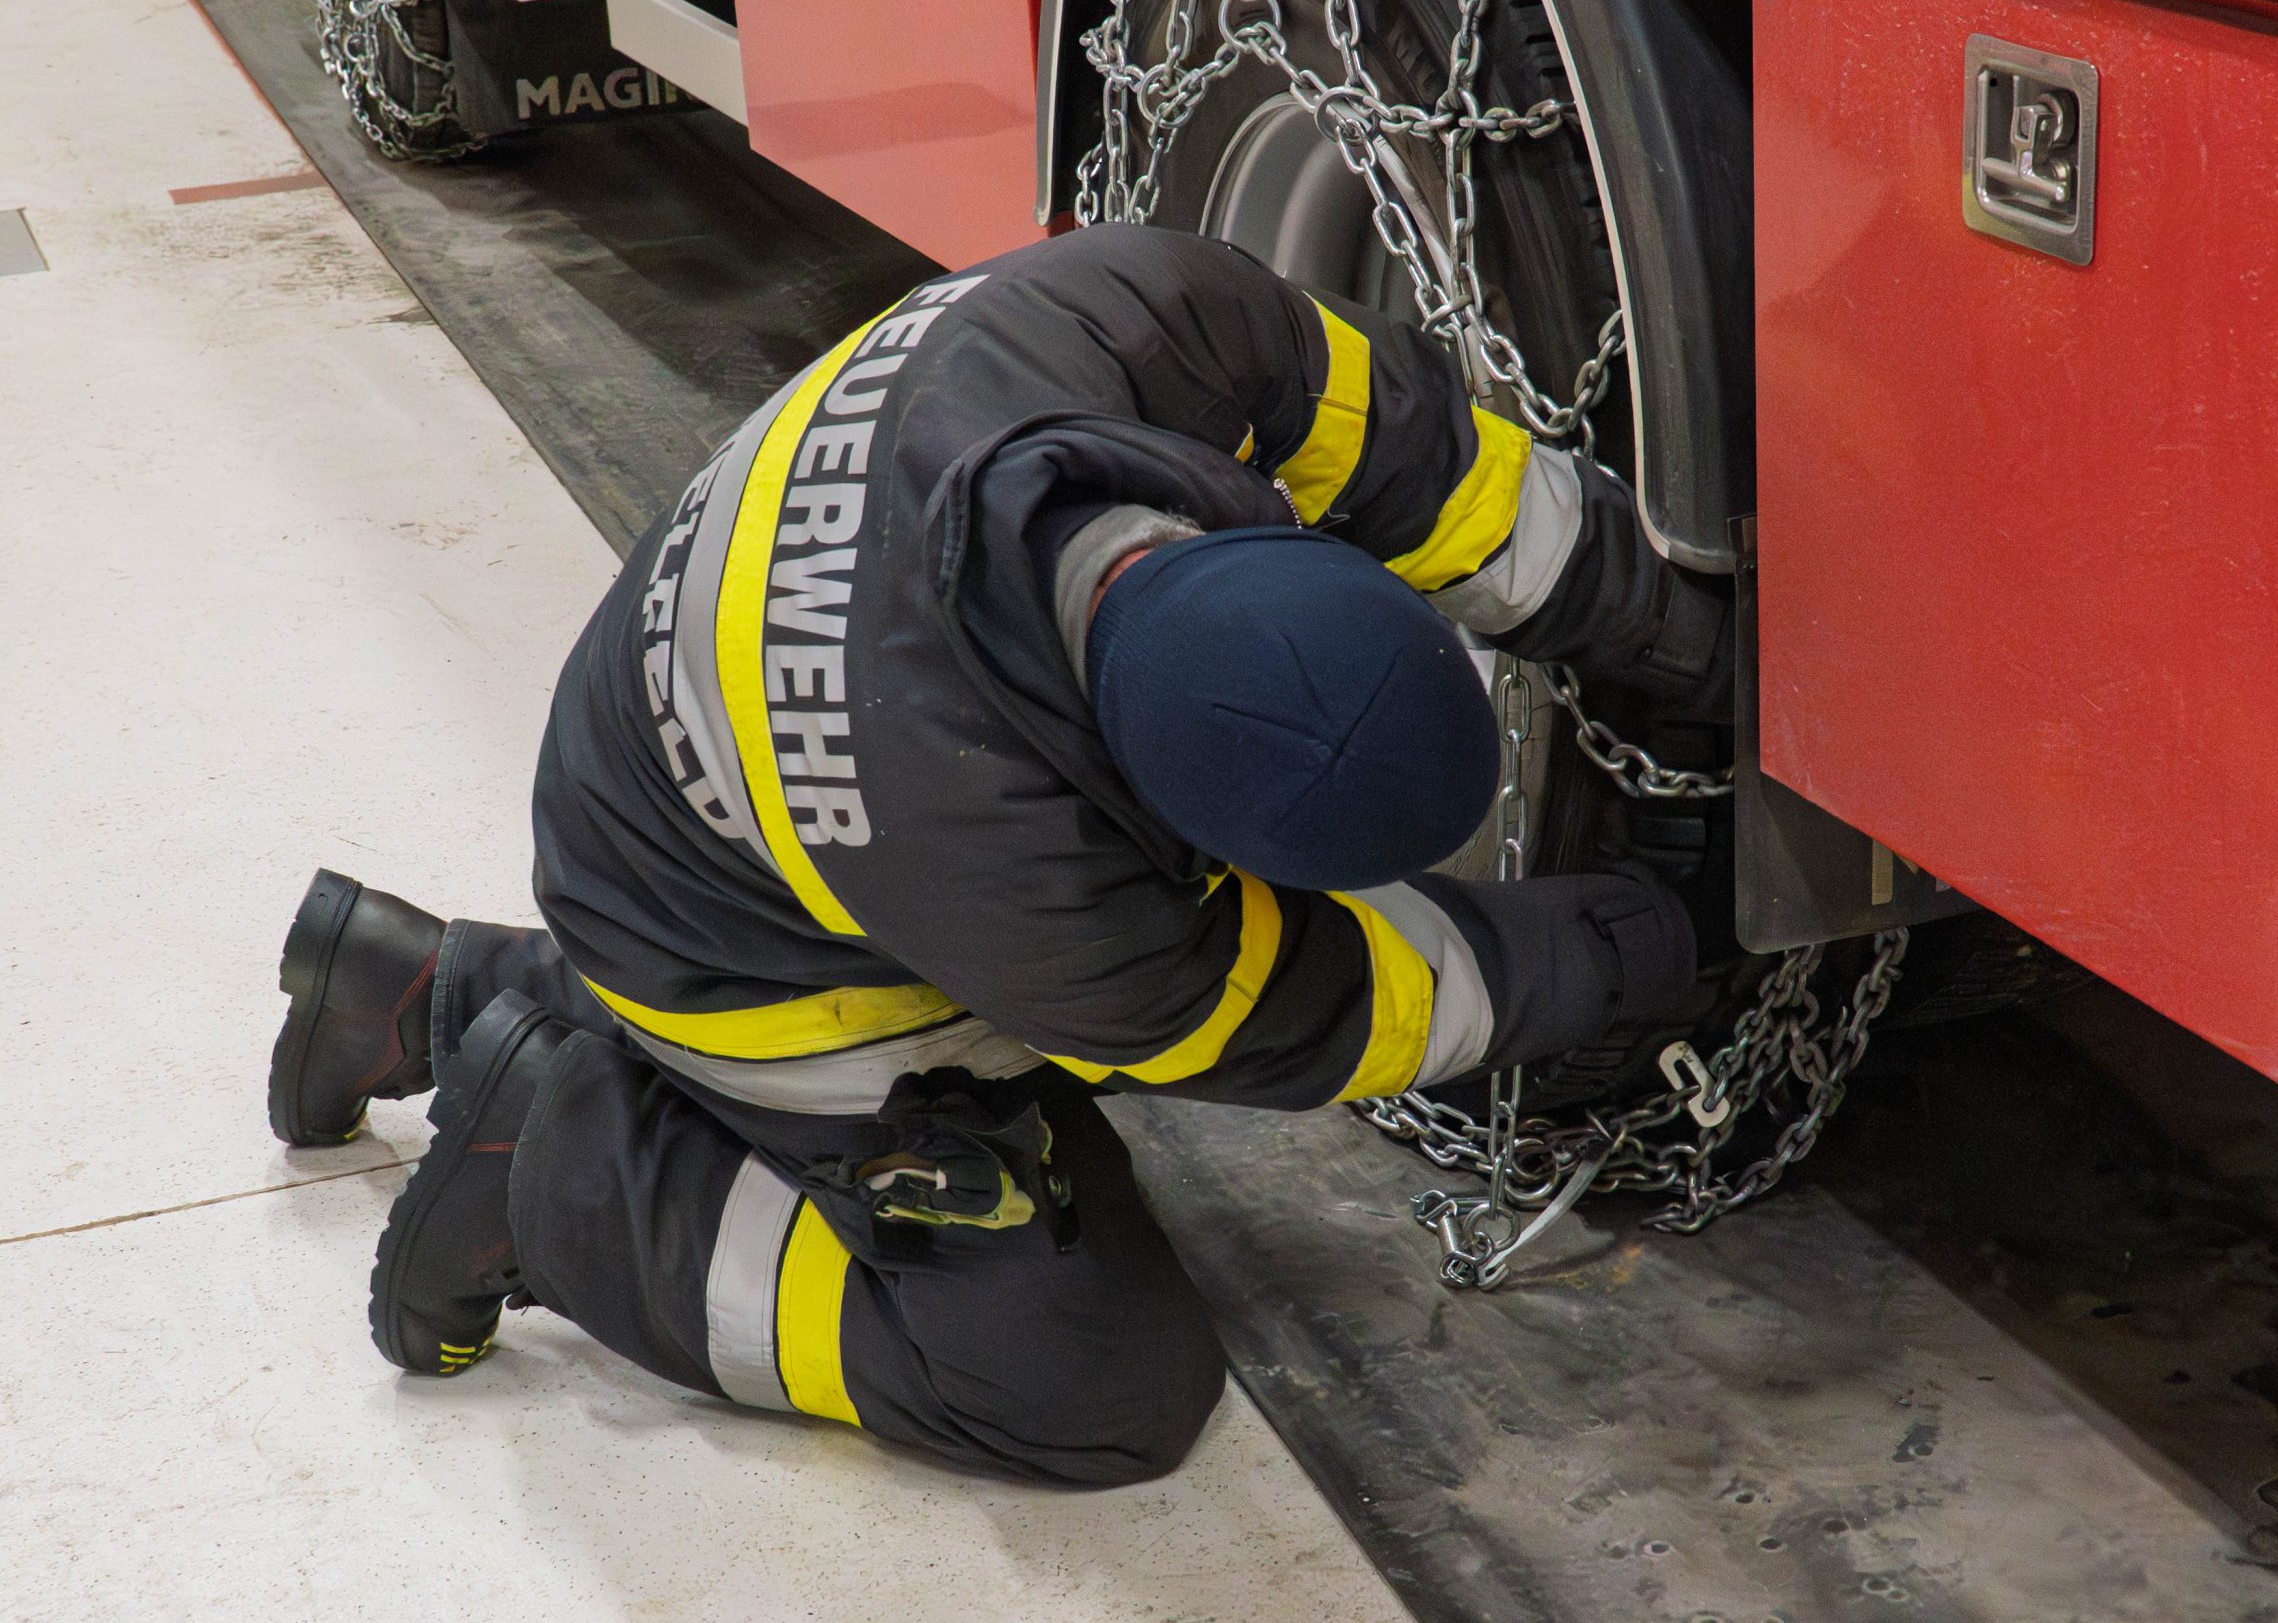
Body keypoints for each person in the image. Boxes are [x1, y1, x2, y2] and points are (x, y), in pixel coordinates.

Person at [266, 224, 1734, 1487]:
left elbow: (1436, 465)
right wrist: (1649, 948)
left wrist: (1690, 642)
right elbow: (1341, 1004)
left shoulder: (1149, 313)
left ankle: (438, 992)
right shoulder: (1032, 891)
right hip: (728, 948)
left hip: (650, 792)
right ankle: (559, 1169)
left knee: (827, 938)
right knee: (1087, 1379)